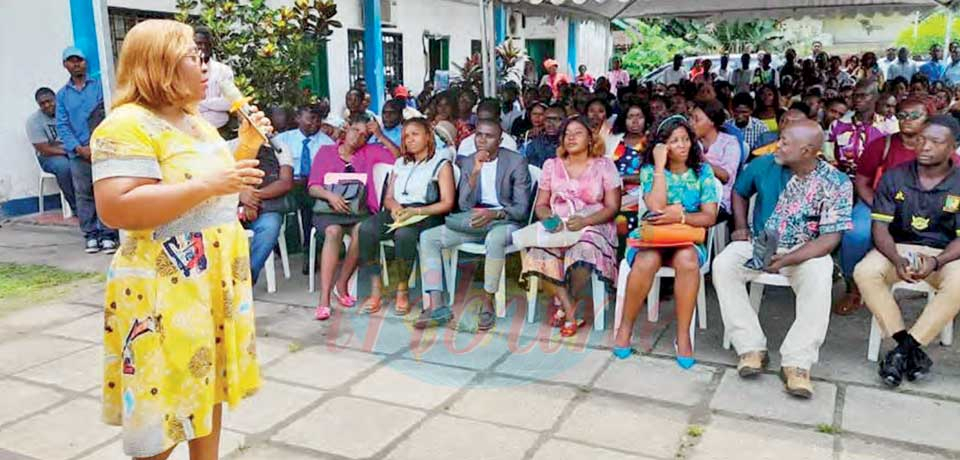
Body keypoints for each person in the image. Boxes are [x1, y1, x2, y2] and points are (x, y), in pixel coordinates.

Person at [90, 19, 272, 459]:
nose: (205, 65)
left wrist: (245, 145)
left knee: (206, 388)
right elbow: (116, 206)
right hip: (163, 288)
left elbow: (215, 182)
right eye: (194, 56)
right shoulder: (125, 125)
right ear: (161, 65)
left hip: (211, 284)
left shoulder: (192, 120)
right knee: (162, 399)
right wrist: (212, 183)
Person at [715, 120, 853, 399]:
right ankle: (751, 347)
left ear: (807, 150)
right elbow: (740, 192)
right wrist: (740, 226)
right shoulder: (765, 164)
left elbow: (830, 240)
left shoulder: (836, 182)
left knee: (820, 273)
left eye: (786, 142)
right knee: (724, 264)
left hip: (806, 252)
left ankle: (797, 363)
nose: (778, 145)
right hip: (761, 244)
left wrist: (788, 258)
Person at [854, 115, 960, 388]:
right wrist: (896, 258)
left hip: (944, 254)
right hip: (897, 248)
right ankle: (909, 349)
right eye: (921, 139)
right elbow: (880, 228)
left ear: (954, 147)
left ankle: (902, 352)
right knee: (865, 272)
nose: (924, 146)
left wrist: (937, 262)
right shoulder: (895, 176)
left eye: (936, 142)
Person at [613, 114, 720, 368]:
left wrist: (680, 215)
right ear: (661, 145)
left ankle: (683, 335)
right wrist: (660, 166)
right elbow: (656, 205)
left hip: (686, 237)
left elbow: (710, 216)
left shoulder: (702, 171)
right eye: (674, 141)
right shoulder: (650, 171)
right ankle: (625, 328)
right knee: (647, 260)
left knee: (687, 260)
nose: (682, 145)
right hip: (654, 237)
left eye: (685, 139)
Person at [418, 119, 532, 330]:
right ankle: (436, 306)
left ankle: (488, 302)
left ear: (500, 140)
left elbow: (521, 209)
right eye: (478, 134)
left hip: (505, 222)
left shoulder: (516, 162)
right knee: (428, 238)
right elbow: (463, 204)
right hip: (474, 221)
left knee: (495, 239)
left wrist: (495, 214)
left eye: (488, 136)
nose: (482, 140)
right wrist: (475, 174)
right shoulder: (470, 161)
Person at [521, 116, 622, 337]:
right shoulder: (551, 165)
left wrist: (585, 221)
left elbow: (613, 207)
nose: (571, 137)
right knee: (538, 254)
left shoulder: (604, 165)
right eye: (567, 133)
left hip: (594, 224)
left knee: (583, 251)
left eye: (577, 133)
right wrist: (550, 219)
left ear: (590, 139)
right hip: (560, 225)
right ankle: (569, 309)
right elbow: (541, 205)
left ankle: (566, 305)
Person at [837, 97, 930, 316]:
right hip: (878, 204)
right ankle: (853, 287)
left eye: (914, 115)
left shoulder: (935, 147)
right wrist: (879, 207)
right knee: (854, 233)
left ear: (927, 118)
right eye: (902, 115)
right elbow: (862, 181)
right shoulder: (882, 145)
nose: (907, 120)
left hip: (922, 210)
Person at [356, 117, 456, 315]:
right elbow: (389, 196)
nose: (409, 140)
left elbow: (447, 203)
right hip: (400, 210)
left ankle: (402, 289)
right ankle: (376, 289)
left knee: (404, 235)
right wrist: (394, 208)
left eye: (415, 134)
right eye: (406, 136)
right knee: (365, 229)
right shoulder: (400, 163)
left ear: (428, 137)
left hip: (427, 213)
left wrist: (417, 211)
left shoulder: (441, 164)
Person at [307, 114, 396, 320]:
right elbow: (313, 187)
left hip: (358, 212)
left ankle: (342, 283)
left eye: (365, 135)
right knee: (333, 231)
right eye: (356, 130)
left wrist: (380, 136)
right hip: (328, 211)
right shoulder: (326, 152)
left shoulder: (369, 152)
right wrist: (331, 196)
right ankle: (324, 299)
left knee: (361, 231)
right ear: (346, 129)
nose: (358, 137)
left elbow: (397, 157)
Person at [56, 46, 117, 254]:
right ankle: (91, 235)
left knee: (105, 191)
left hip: (102, 149)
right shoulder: (62, 95)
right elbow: (62, 125)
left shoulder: (100, 86)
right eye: (71, 61)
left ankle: (109, 234)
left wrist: (96, 145)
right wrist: (78, 148)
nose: (76, 64)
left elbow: (107, 113)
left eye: (79, 60)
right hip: (78, 153)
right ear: (66, 65)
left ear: (85, 62)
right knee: (83, 194)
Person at [273, 105, 336, 271]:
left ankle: (310, 252)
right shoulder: (283, 139)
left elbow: (330, 173)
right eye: (310, 119)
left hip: (313, 187)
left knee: (311, 204)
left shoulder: (327, 143)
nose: (314, 123)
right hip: (288, 185)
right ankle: (278, 245)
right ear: (298, 119)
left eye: (317, 119)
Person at [241, 110, 294, 284]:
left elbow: (285, 183)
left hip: (265, 207)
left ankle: (247, 279)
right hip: (232, 206)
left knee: (270, 227)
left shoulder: (279, 147)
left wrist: (253, 198)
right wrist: (242, 196)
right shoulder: (230, 146)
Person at [26, 87, 76, 215]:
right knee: (64, 167)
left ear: (56, 99)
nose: (47, 105)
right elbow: (44, 149)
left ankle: (95, 203)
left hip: (71, 149)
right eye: (42, 103)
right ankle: (76, 207)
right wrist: (68, 152)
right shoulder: (34, 121)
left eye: (49, 101)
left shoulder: (67, 113)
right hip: (48, 156)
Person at [690, 100, 740, 219]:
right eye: (690, 118)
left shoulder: (730, 143)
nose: (691, 123)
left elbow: (725, 177)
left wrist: (701, 159)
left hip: (718, 201)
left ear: (712, 122)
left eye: (696, 119)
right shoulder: (691, 143)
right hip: (691, 197)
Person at [829, 80, 889, 178]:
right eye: (855, 95)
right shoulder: (838, 124)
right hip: (841, 181)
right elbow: (828, 157)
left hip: (873, 183)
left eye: (863, 95)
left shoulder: (887, 127)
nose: (857, 99)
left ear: (876, 97)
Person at [611, 102, 649, 240]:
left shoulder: (651, 143)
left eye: (639, 116)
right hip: (613, 194)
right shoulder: (614, 140)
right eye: (630, 117)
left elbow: (651, 175)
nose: (635, 121)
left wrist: (623, 179)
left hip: (642, 198)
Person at [194, 26, 235, 137]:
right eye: (198, 44)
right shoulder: (182, 71)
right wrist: (214, 105)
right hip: (189, 130)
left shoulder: (223, 70)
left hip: (219, 129)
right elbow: (180, 103)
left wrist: (198, 103)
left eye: (206, 44)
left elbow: (228, 102)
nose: (202, 47)